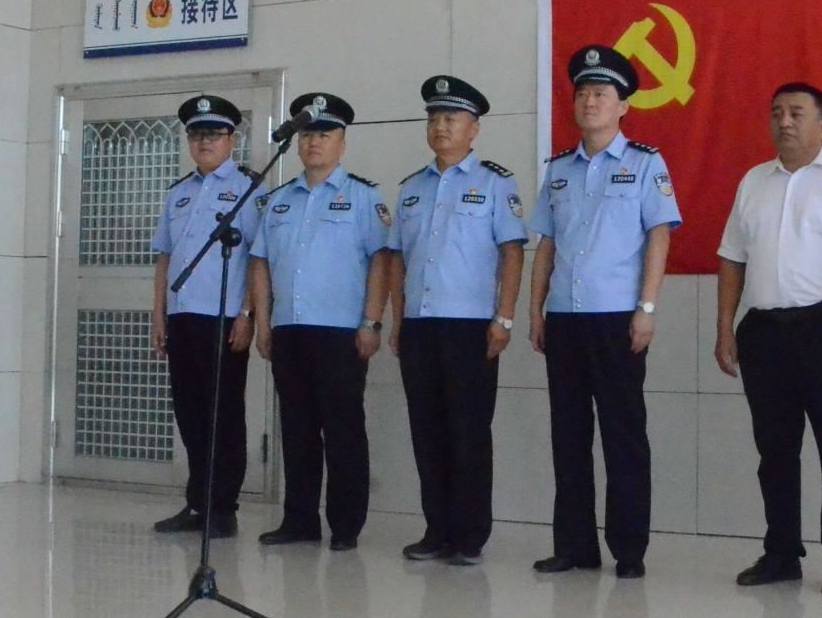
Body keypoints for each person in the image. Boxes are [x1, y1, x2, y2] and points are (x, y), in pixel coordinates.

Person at [715, 82, 822, 596]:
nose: (784, 122)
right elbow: (732, 258)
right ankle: (781, 553)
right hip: (764, 332)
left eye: (796, 113)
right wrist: (724, 327)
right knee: (774, 451)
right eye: (776, 113)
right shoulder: (753, 182)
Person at [527, 45, 681, 579]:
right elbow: (546, 244)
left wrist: (647, 308)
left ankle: (628, 549)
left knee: (623, 435)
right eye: (583, 93)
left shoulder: (644, 163)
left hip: (617, 318)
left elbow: (659, 237)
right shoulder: (559, 170)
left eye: (601, 93)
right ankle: (574, 546)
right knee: (568, 436)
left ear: (623, 106)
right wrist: (535, 311)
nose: (590, 102)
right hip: (564, 319)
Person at [387, 75, 527, 565]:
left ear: (474, 129)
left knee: (468, 433)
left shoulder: (495, 183)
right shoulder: (411, 189)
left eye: (451, 118)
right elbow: (398, 261)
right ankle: (436, 529)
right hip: (419, 325)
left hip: (470, 327)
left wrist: (505, 318)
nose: (440, 126)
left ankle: (469, 535)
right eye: (433, 118)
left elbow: (513, 254)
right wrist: (398, 319)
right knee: (426, 431)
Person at [248, 92, 393, 552]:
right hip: (289, 329)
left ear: (341, 143)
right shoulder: (277, 201)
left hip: (340, 333)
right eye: (308, 134)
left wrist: (372, 322)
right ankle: (300, 519)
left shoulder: (364, 197)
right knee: (297, 429)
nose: (314, 142)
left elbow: (381, 262)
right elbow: (259, 263)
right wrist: (264, 324)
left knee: (343, 429)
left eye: (324, 134)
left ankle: (346, 524)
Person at [149, 94, 258, 537]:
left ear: (232, 139)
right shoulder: (178, 193)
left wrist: (248, 313)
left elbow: (258, 260)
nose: (204, 142)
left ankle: (223, 509)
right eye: (196, 135)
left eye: (213, 134)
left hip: (224, 319)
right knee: (190, 414)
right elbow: (165, 258)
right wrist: (159, 315)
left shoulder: (251, 190)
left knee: (223, 415)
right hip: (182, 319)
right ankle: (197, 503)